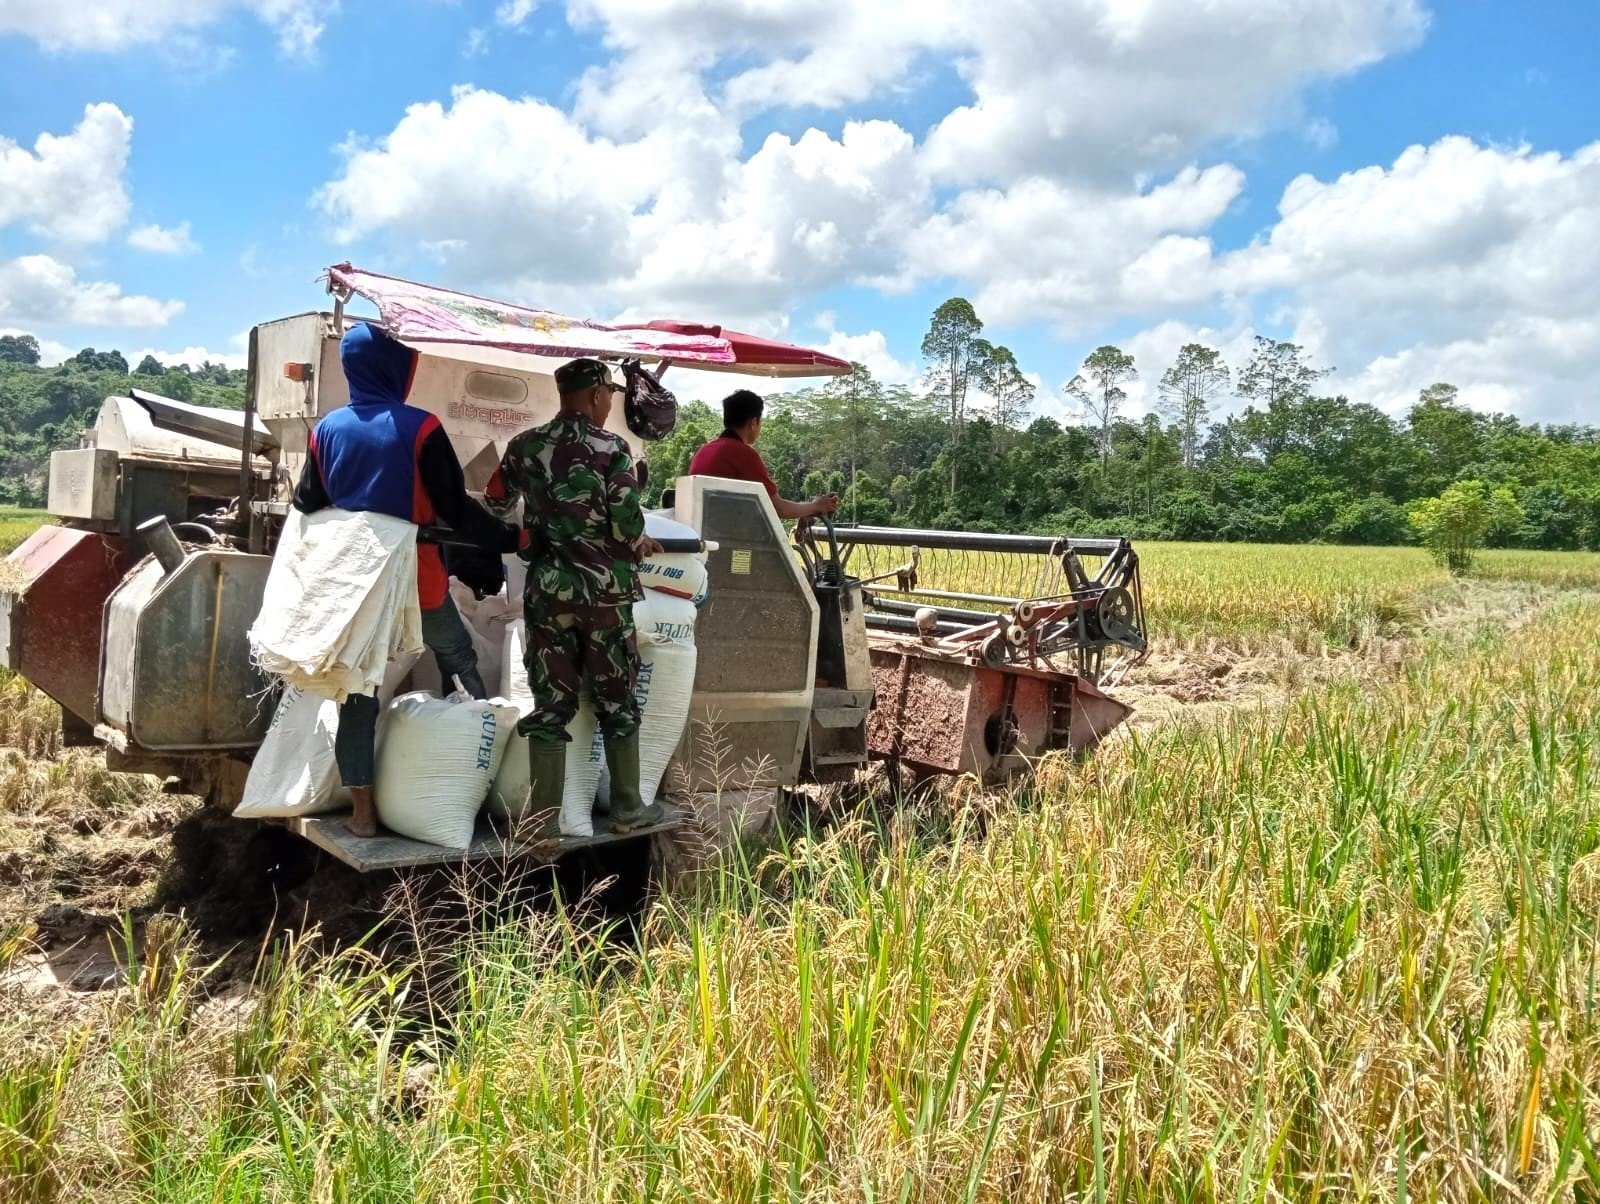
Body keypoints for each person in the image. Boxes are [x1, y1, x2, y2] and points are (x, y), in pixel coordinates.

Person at [294, 322, 515, 837]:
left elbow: (308, 501)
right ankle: (480, 768)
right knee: (456, 656)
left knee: (360, 688)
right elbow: (455, 510)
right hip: (417, 578)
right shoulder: (420, 427)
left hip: (357, 583)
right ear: (399, 366)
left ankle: (363, 814)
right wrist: (510, 539)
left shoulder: (326, 429)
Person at [485, 358, 665, 833]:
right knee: (617, 702)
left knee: (550, 705)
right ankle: (628, 808)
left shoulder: (523, 446)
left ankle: (542, 822)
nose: (610, 402)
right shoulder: (613, 448)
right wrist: (638, 541)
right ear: (595, 395)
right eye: (609, 393)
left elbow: (497, 501)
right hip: (606, 599)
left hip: (548, 596)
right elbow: (627, 526)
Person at [686, 389, 839, 519]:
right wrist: (815, 506)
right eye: (760, 422)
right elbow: (779, 509)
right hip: (730, 539)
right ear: (753, 423)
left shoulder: (703, 451)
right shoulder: (744, 455)